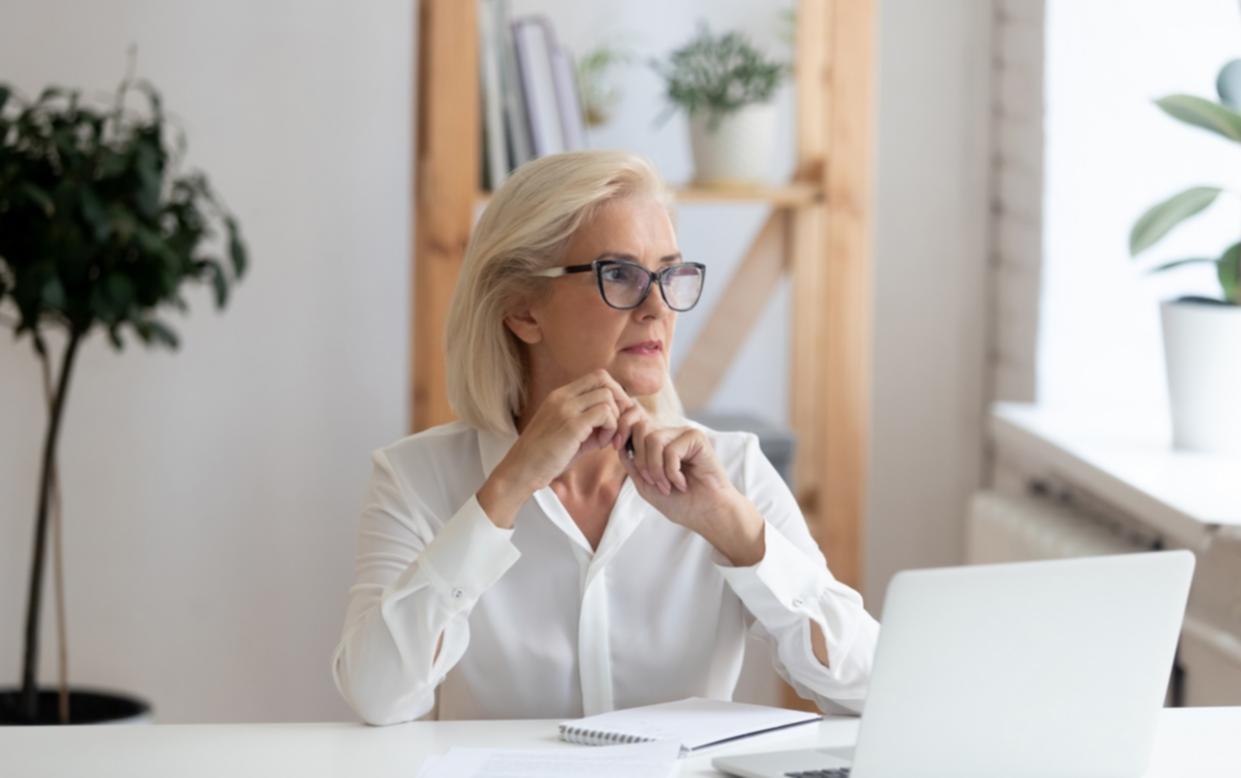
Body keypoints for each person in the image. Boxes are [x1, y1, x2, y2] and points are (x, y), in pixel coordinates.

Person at [331, 150, 878, 725]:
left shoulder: (732, 470)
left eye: (669, 274)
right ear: (522, 311)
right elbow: (378, 696)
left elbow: (868, 686)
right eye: (619, 275)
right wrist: (506, 489)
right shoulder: (415, 478)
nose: (657, 306)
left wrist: (735, 530)